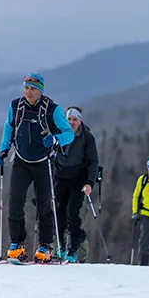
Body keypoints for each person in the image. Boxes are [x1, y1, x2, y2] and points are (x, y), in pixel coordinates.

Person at [0, 72, 74, 263]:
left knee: (44, 204)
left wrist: (56, 139)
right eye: (26, 88)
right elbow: (9, 126)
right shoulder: (16, 106)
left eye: (32, 89)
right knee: (15, 201)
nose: (28, 92)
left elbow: (69, 133)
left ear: (40, 91)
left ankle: (45, 246)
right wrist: (3, 149)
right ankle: (17, 244)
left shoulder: (52, 109)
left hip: (44, 162)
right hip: (21, 160)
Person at [53, 106, 99, 263]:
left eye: (74, 119)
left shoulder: (86, 137)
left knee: (73, 214)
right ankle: (60, 248)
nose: (71, 122)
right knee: (58, 213)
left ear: (80, 120)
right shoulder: (58, 134)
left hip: (78, 179)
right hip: (60, 177)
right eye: (69, 119)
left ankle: (73, 250)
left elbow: (93, 161)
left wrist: (90, 183)